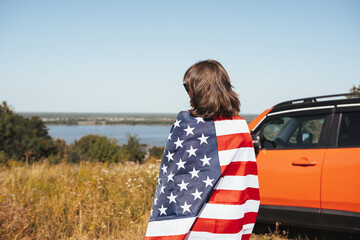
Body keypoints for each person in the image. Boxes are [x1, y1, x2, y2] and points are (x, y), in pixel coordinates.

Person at [145, 60, 260, 240]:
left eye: (188, 87)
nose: (188, 94)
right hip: (228, 221)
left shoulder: (185, 127)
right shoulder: (240, 128)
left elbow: (174, 181)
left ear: (200, 89)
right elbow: (246, 184)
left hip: (193, 225)